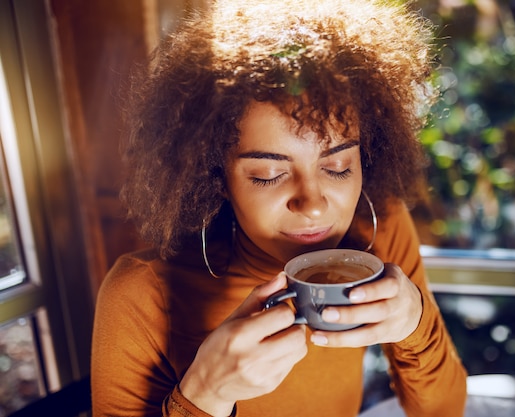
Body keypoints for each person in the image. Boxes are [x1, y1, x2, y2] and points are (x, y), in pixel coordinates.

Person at [91, 0, 468, 416]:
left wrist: (416, 323)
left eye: (338, 167)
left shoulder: (382, 229)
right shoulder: (141, 294)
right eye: (269, 174)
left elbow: (443, 410)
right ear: (216, 176)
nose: (312, 205)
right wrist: (204, 395)